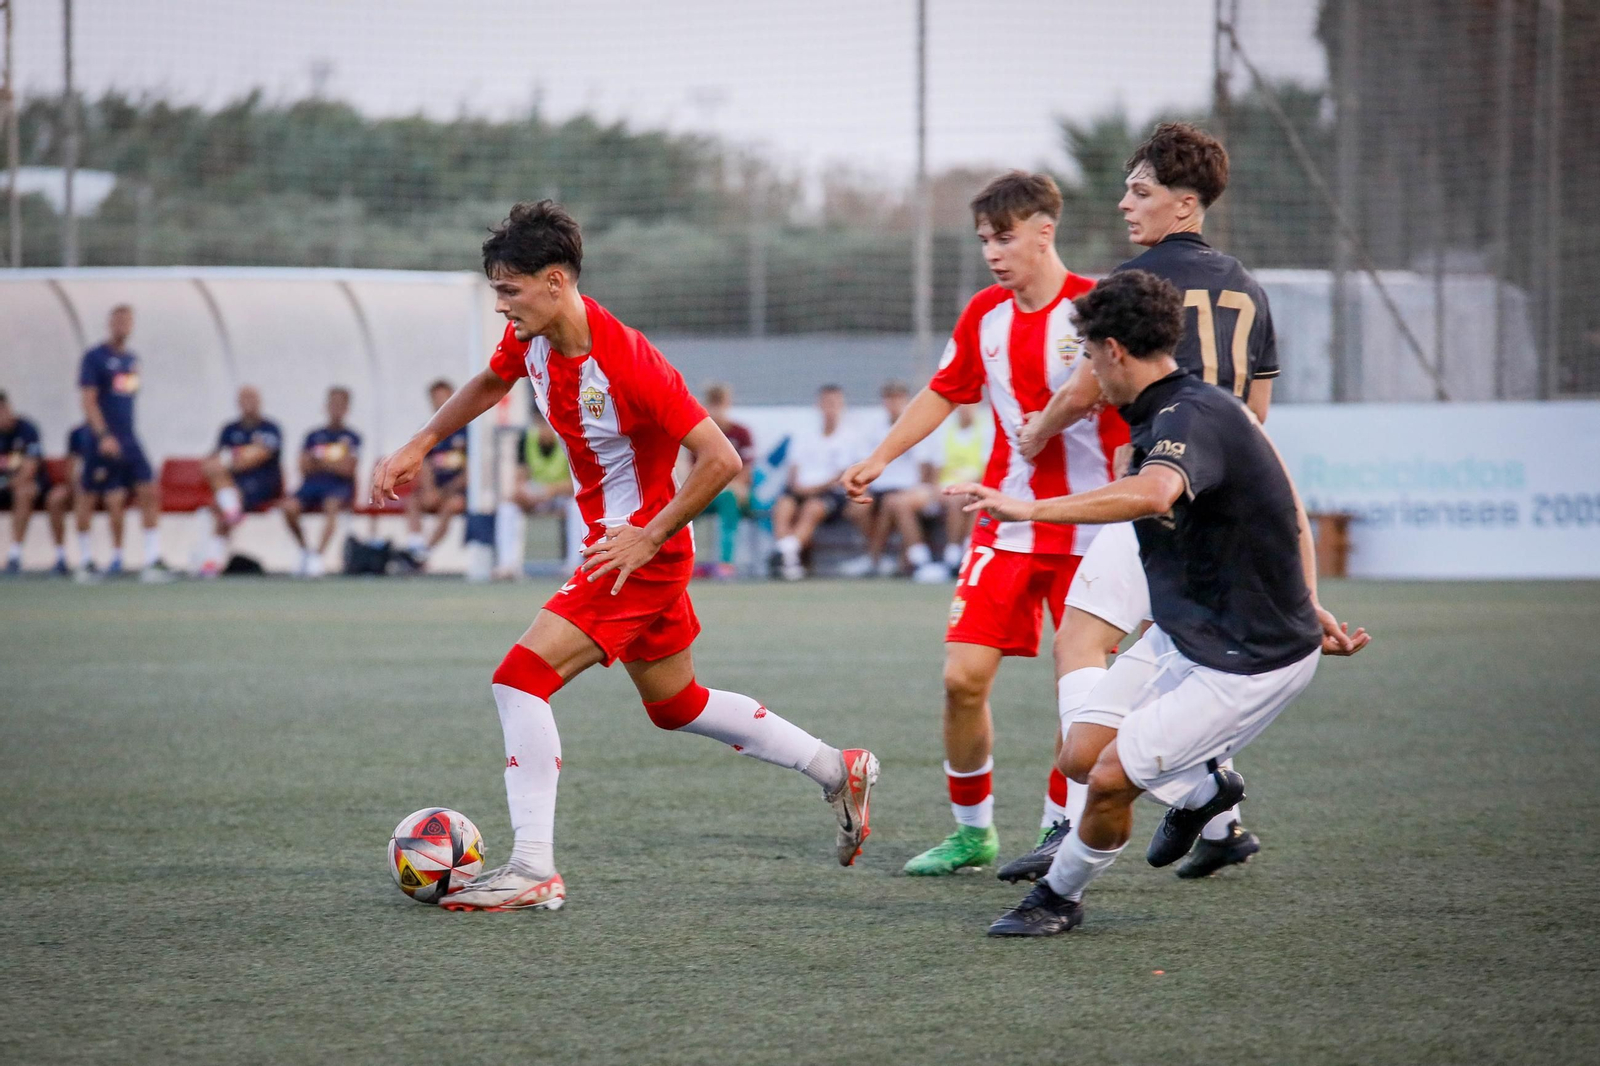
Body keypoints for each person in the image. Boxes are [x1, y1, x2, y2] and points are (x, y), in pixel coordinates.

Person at [369, 200, 879, 911]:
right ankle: (835, 766)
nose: (502, 308)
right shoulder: (534, 339)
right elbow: (491, 380)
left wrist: (648, 535)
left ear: (555, 282)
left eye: (508, 291)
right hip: (621, 548)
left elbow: (720, 459)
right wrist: (421, 443)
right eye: (496, 292)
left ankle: (532, 867)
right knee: (677, 704)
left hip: (635, 554)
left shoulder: (630, 361)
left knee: (519, 680)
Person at [962, 270, 1367, 937]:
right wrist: (1306, 596)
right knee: (1078, 757)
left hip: (1249, 657)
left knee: (1111, 776)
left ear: (1113, 351)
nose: (1089, 374)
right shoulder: (1175, 408)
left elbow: (1154, 495)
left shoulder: (1187, 415)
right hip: (1190, 632)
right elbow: (1284, 501)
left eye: (1090, 358)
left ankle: (1059, 897)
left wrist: (1029, 506)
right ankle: (1206, 788)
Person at [998, 123, 1284, 883]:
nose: (1127, 203)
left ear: (1185, 205)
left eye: (1142, 191)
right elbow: (1258, 413)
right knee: (1184, 661)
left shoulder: (1137, 282)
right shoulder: (1251, 288)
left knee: (1079, 646)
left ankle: (1072, 824)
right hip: (1226, 509)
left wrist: (1041, 428)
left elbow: (1094, 377)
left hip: (1158, 497)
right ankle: (1220, 823)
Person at [841, 171, 1127, 875]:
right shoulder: (983, 316)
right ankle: (973, 832)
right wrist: (880, 457)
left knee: (1080, 691)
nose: (993, 253)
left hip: (1092, 529)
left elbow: (1130, 408)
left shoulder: (1098, 308)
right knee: (962, 678)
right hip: (1007, 520)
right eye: (984, 241)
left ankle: (1059, 829)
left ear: (1044, 230)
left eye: (1004, 238)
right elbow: (944, 392)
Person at [78, 305, 170, 582]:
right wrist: (103, 435)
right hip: (102, 438)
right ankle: (85, 562)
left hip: (129, 437)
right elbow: (88, 400)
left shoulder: (131, 360)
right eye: (118, 320)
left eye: (128, 321)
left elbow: (125, 397)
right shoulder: (94, 358)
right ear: (110, 323)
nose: (123, 326)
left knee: (148, 490)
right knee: (88, 494)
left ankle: (152, 560)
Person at [838, 381, 945, 581]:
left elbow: (925, 468)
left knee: (894, 503)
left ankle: (913, 559)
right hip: (881, 488)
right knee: (857, 508)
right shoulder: (874, 429)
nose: (894, 404)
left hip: (910, 489)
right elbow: (865, 461)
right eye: (889, 399)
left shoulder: (919, 425)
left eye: (898, 399)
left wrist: (921, 489)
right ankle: (880, 558)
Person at [770, 384, 859, 581]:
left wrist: (812, 489)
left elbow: (841, 475)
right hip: (801, 489)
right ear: (819, 405)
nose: (831, 409)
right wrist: (798, 488)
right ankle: (789, 560)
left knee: (813, 508)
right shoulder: (804, 435)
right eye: (827, 403)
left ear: (842, 406)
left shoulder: (850, 438)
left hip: (830, 493)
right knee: (783, 507)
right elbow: (793, 470)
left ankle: (784, 553)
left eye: (835, 404)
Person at [198, 386, 284, 576]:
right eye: (244, 399)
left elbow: (258, 457)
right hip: (233, 483)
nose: (248, 403)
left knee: (224, 499)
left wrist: (230, 461)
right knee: (222, 497)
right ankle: (213, 559)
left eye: (252, 398)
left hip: (261, 483)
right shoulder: (229, 429)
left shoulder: (270, 428)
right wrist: (232, 461)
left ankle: (213, 558)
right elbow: (211, 461)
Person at [282, 386, 360, 578]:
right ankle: (305, 550)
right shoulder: (313, 435)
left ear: (347, 408)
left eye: (340, 405)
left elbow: (348, 469)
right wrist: (333, 462)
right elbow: (304, 466)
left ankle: (318, 555)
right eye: (333, 404)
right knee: (288, 507)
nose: (336, 409)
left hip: (338, 487)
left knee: (331, 505)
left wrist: (320, 461)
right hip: (311, 485)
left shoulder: (352, 437)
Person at [500, 409, 582, 577]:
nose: (545, 429)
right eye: (541, 423)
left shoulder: (568, 438)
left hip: (562, 495)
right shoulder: (526, 439)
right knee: (507, 508)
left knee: (577, 509)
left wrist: (550, 491)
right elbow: (520, 478)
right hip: (535, 494)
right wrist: (523, 494)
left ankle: (574, 564)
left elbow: (577, 482)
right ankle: (508, 565)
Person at [402, 379, 469, 568]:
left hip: (457, 492)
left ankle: (425, 553)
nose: (440, 403)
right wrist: (430, 489)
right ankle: (415, 546)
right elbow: (424, 464)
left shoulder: (468, 430)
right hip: (436, 490)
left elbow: (471, 471)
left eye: (444, 398)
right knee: (413, 502)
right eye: (436, 399)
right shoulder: (427, 431)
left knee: (452, 505)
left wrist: (447, 490)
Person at [57, 422, 131, 578]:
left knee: (115, 499)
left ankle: (117, 556)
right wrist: (74, 484)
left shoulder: (119, 430)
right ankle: (86, 558)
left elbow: (125, 462)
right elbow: (72, 464)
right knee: (82, 498)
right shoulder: (78, 433)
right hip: (88, 481)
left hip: (113, 480)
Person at [701, 382, 754, 579]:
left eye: (720, 403)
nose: (717, 409)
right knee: (679, 508)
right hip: (708, 493)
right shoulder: (701, 434)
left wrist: (730, 486)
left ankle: (726, 562)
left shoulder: (741, 433)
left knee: (729, 499)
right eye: (712, 404)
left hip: (735, 492)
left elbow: (746, 470)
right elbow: (696, 470)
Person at [933, 403, 987, 579]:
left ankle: (962, 553)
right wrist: (938, 489)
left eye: (971, 405)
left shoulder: (986, 430)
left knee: (973, 503)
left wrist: (971, 488)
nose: (966, 408)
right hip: (947, 489)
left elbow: (986, 470)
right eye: (962, 404)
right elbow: (936, 470)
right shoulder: (945, 431)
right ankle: (953, 556)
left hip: (974, 488)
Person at [0, 390, 46, 574]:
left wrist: (5, 483)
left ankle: (15, 554)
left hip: (22, 486)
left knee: (24, 491)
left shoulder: (26, 430)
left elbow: (28, 470)